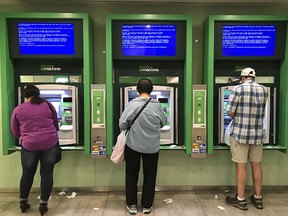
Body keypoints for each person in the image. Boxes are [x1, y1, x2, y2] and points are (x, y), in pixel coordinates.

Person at [10, 85, 60, 216]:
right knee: (47, 174)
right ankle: (43, 204)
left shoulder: (18, 109)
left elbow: (14, 130)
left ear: (25, 96)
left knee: (27, 174)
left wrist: (25, 137)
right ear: (38, 94)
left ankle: (23, 202)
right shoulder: (48, 105)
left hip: (29, 146)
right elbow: (56, 123)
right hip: (50, 144)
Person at [119, 78, 166, 215]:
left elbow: (122, 124)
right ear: (151, 90)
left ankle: (132, 205)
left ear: (137, 90)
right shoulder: (157, 106)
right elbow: (163, 123)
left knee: (131, 175)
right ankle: (146, 206)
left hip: (133, 146)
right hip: (152, 147)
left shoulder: (132, 105)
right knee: (150, 176)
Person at [225, 67, 268, 210]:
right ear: (254, 77)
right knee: (256, 164)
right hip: (257, 134)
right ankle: (258, 197)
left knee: (241, 165)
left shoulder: (238, 89)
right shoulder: (264, 90)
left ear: (242, 77)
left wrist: (237, 115)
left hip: (240, 134)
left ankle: (241, 199)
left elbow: (230, 111)